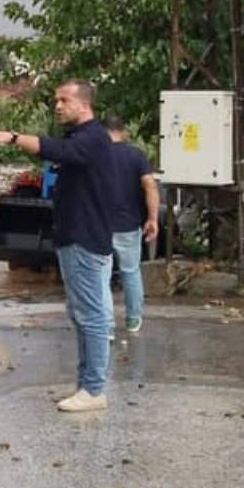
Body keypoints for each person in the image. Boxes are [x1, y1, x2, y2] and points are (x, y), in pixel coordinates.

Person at [0, 79, 116, 415]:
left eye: (64, 100)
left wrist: (11, 137)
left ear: (84, 104)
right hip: (76, 238)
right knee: (83, 314)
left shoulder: (93, 137)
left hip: (84, 239)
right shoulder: (84, 137)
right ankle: (87, 383)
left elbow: (58, 151)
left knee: (92, 316)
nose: (57, 106)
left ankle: (94, 388)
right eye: (55, 100)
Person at [106, 116, 159, 336]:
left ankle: (106, 325)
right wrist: (153, 218)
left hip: (99, 226)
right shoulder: (136, 155)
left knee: (101, 276)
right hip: (129, 224)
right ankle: (133, 319)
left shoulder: (96, 155)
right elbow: (150, 186)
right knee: (130, 272)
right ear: (124, 132)